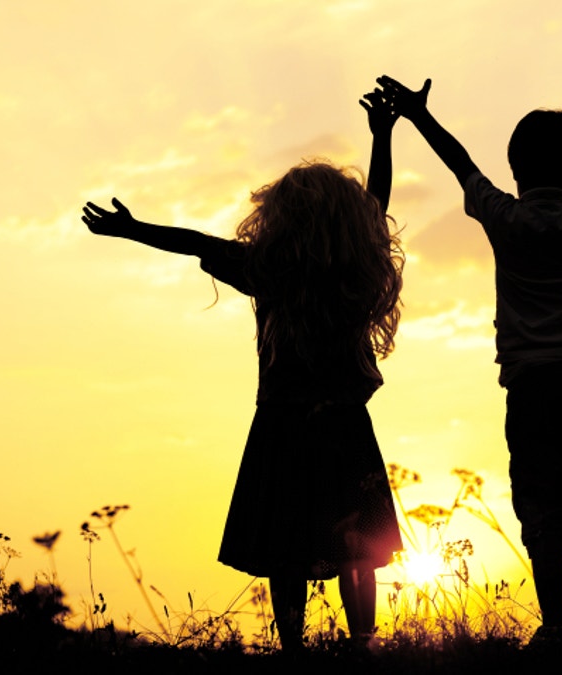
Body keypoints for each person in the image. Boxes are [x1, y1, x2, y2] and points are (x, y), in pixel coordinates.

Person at [376, 9, 562, 646]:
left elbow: (458, 162)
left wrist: (419, 116)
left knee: (544, 507)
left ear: (514, 169)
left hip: (532, 388)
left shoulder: (504, 218)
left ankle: (555, 628)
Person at [80, 91, 405, 650]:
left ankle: (294, 649)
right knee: (357, 546)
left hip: (282, 427)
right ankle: (365, 643)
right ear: (348, 222)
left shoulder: (268, 268)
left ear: (281, 219)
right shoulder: (356, 266)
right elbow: (376, 207)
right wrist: (382, 135)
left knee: (286, 548)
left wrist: (134, 230)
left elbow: (195, 243)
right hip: (345, 426)